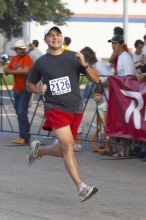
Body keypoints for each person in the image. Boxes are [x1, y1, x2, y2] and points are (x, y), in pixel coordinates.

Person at [26, 24, 100, 202]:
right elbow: (30, 83)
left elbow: (96, 79)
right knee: (68, 147)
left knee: (65, 149)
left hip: (75, 109)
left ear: (61, 37)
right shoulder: (41, 62)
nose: (55, 38)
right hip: (54, 108)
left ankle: (40, 151)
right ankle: (81, 187)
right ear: (45, 40)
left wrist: (84, 64)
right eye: (50, 35)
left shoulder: (73, 57)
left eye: (58, 35)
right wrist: (39, 90)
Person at [108, 35, 136, 157]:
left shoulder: (125, 57)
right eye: (112, 43)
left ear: (121, 44)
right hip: (121, 96)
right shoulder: (120, 57)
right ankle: (124, 149)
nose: (112, 46)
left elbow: (129, 78)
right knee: (123, 122)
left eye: (115, 43)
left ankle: (126, 150)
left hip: (126, 96)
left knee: (126, 123)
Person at [4, 39, 33, 144]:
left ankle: (26, 138)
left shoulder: (27, 58)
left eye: (23, 48)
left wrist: (11, 72)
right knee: (19, 114)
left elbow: (25, 70)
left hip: (25, 89)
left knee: (22, 113)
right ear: (16, 50)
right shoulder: (15, 58)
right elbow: (6, 70)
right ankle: (22, 137)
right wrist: (14, 71)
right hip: (17, 89)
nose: (22, 50)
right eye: (19, 49)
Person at [28, 40, 43, 105]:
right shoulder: (41, 53)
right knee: (41, 87)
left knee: (32, 86)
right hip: (41, 72)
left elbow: (29, 63)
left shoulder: (31, 53)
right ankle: (41, 101)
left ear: (34, 44)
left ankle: (30, 101)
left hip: (33, 72)